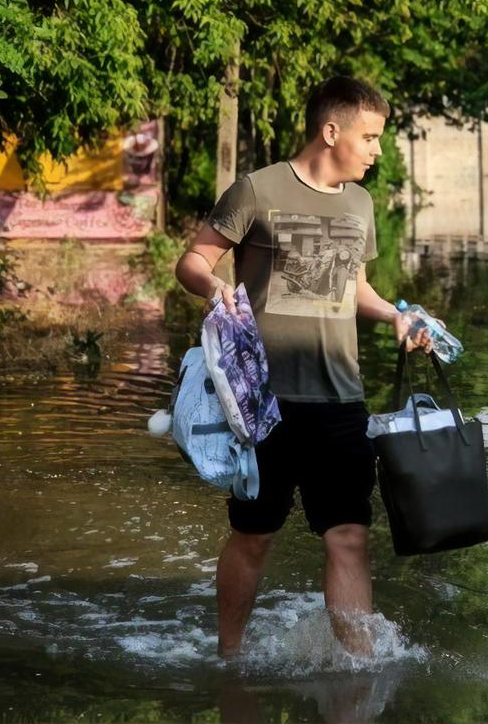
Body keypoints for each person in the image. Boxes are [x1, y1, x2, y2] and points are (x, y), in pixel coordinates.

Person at [174, 75, 435, 659]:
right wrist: (213, 285)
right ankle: (231, 658)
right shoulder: (256, 190)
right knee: (253, 536)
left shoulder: (360, 203)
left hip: (341, 401)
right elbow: (192, 258)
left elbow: (355, 288)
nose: (377, 150)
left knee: (348, 536)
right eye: (370, 137)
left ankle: (357, 669)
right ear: (331, 130)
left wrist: (396, 314)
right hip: (263, 405)